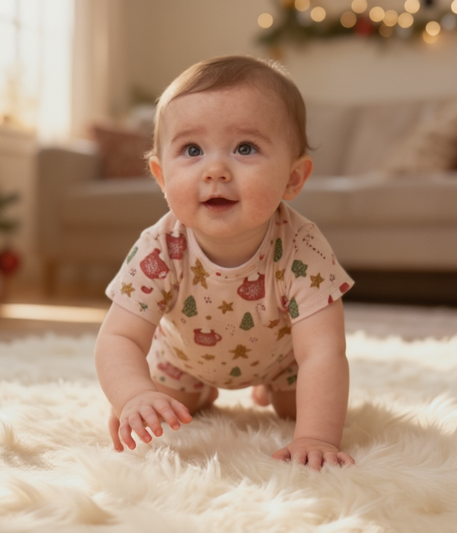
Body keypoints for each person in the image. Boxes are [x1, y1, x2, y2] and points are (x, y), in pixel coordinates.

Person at [95, 55, 355, 471]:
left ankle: (269, 391)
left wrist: (315, 437)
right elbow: (119, 339)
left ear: (293, 178)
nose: (215, 170)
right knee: (168, 408)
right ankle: (201, 392)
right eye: (192, 150)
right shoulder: (158, 249)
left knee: (297, 408)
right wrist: (132, 395)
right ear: (162, 178)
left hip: (281, 360)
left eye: (245, 148)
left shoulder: (303, 249)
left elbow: (323, 351)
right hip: (182, 359)